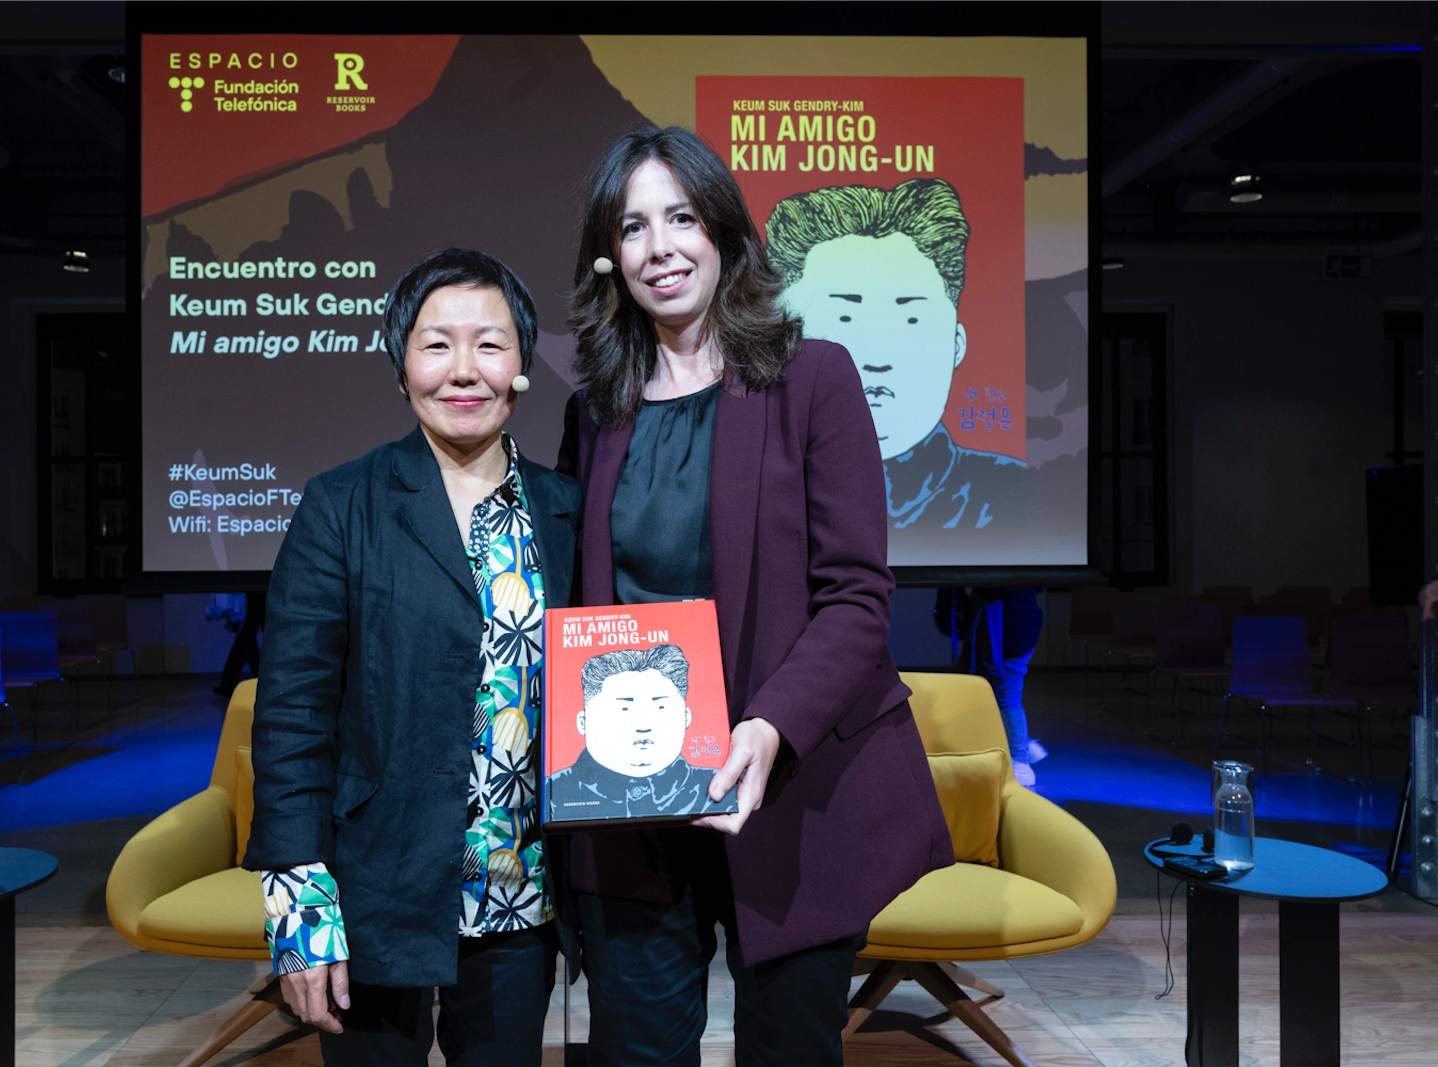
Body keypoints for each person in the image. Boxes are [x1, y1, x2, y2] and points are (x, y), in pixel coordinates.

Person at [557, 126, 954, 1067]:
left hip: (789, 792)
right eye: (633, 227)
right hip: (635, 805)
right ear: (611, 257)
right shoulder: (595, 410)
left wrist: (769, 728)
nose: (660, 249)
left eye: (681, 218)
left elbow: (858, 596)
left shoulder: (812, 378)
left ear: (726, 233)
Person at [244, 248, 579, 1066]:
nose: (463, 369)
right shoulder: (340, 504)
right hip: (375, 890)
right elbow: (291, 716)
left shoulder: (565, 509)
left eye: (490, 344)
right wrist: (300, 913)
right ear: (401, 367)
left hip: (519, 897)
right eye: (436, 344)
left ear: (522, 366)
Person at [766, 178, 1028, 530]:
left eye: (911, 320)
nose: (877, 360)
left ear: (956, 345)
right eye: (844, 319)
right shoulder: (744, 486)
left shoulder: (1009, 493)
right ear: (778, 338)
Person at [545, 643, 726, 821]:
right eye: (623, 710)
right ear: (583, 723)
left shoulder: (717, 784)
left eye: (660, 707)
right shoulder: (552, 793)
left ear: (686, 717)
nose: (643, 725)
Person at [934, 586, 1048, 787]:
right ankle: (1023, 745)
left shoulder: (1002, 591)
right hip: (1018, 628)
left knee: (1007, 697)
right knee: (999, 694)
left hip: (1007, 632)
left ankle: (1021, 759)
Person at [214, 590, 265, 697]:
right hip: (259, 587)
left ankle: (228, 684)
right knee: (246, 637)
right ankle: (228, 684)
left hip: (255, 588)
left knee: (245, 637)